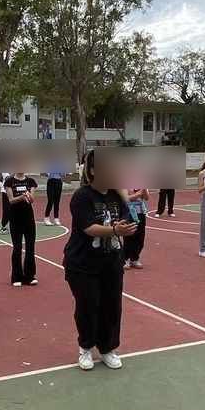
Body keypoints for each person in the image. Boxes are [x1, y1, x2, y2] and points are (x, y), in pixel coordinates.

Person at [63, 150, 136, 369]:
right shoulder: (82, 197)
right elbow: (89, 229)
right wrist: (115, 229)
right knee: (88, 306)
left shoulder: (117, 196)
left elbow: (131, 220)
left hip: (111, 262)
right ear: (93, 170)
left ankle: (107, 348)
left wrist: (125, 198)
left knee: (112, 306)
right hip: (82, 264)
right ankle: (85, 347)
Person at [5, 164, 38, 286]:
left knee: (30, 247)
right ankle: (16, 276)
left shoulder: (31, 181)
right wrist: (22, 197)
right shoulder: (9, 181)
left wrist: (29, 197)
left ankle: (30, 276)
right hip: (15, 218)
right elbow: (11, 200)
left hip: (28, 218)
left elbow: (32, 199)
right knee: (17, 247)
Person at [123, 187, 149, 270]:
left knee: (140, 237)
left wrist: (144, 190)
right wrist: (138, 194)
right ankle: (125, 259)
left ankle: (135, 258)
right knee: (129, 236)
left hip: (140, 213)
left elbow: (146, 198)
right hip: (129, 212)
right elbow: (126, 199)